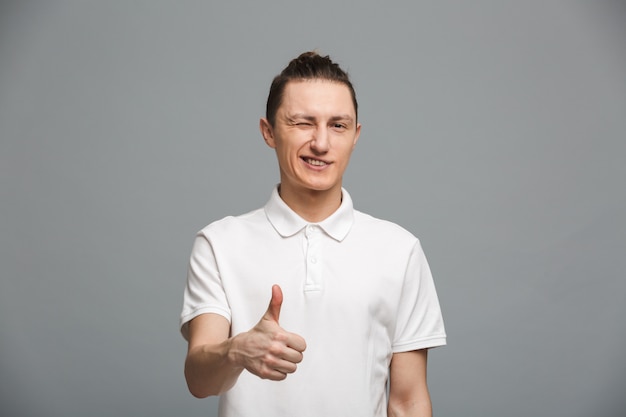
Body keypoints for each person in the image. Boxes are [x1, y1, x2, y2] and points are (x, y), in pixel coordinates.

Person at [180, 51, 446, 417]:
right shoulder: (219, 243)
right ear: (268, 132)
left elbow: (408, 401)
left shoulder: (400, 251)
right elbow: (199, 380)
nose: (321, 143)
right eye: (303, 123)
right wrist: (237, 351)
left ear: (356, 135)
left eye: (338, 125)